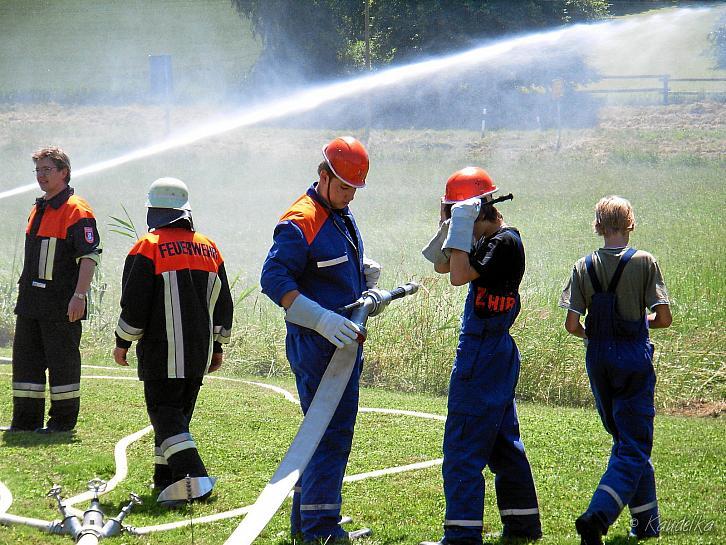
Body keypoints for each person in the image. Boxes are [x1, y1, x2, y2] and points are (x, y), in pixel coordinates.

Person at [260, 136, 380, 543]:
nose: (350, 196)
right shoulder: (301, 218)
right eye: (344, 186)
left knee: (319, 432)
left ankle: (306, 519)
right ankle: (320, 527)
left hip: (341, 342)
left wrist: (360, 281)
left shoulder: (339, 212)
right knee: (330, 433)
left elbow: (326, 269)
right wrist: (322, 318)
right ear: (323, 175)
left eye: (354, 189)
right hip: (317, 345)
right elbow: (274, 280)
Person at [421, 167, 542, 545]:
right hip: (494, 354)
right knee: (503, 443)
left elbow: (457, 275)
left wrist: (462, 223)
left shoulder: (502, 243)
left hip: (482, 354)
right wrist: (453, 224)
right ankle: (522, 525)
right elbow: (441, 263)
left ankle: (461, 535)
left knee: (461, 446)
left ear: (476, 212)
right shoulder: (489, 240)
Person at [113, 177, 233, 505]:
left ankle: (194, 478)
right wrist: (218, 345)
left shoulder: (147, 247)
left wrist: (122, 341)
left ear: (153, 211)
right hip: (198, 354)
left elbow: (134, 304)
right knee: (177, 419)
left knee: (164, 414)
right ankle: (164, 478)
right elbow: (224, 303)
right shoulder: (209, 247)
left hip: (162, 353)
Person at [559, 196, 671, 545]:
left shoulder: (583, 266)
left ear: (598, 227)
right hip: (633, 359)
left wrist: (598, 333)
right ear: (630, 223)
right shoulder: (645, 262)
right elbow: (663, 318)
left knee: (626, 442)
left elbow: (572, 325)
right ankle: (598, 516)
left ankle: (647, 525)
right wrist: (642, 321)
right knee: (634, 445)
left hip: (599, 361)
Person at [8, 146, 101, 433]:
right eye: (38, 170)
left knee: (63, 364)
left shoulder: (77, 209)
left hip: (60, 302)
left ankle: (62, 423)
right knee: (26, 363)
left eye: (47, 170)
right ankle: (25, 422)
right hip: (32, 301)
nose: (41, 176)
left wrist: (79, 296)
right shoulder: (38, 208)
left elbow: (89, 256)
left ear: (64, 172)